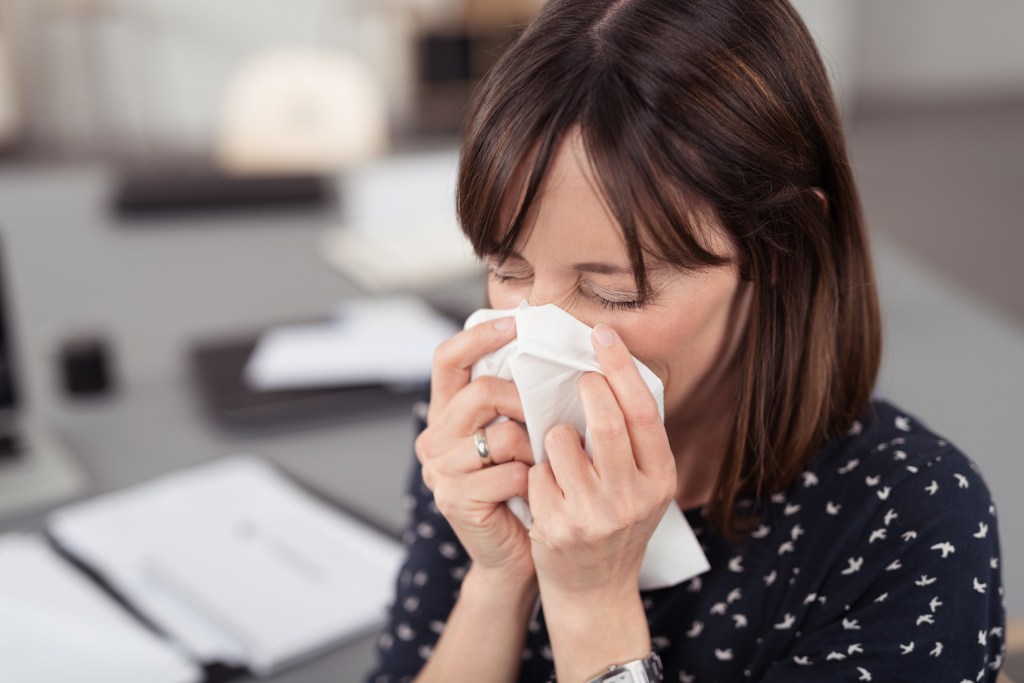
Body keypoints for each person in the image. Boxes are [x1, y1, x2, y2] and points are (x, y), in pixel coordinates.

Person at [366, 1, 1006, 681]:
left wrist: (593, 604)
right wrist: (498, 579)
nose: (537, 335)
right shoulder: (485, 429)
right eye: (507, 268)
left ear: (783, 248)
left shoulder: (909, 523)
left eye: (615, 291)